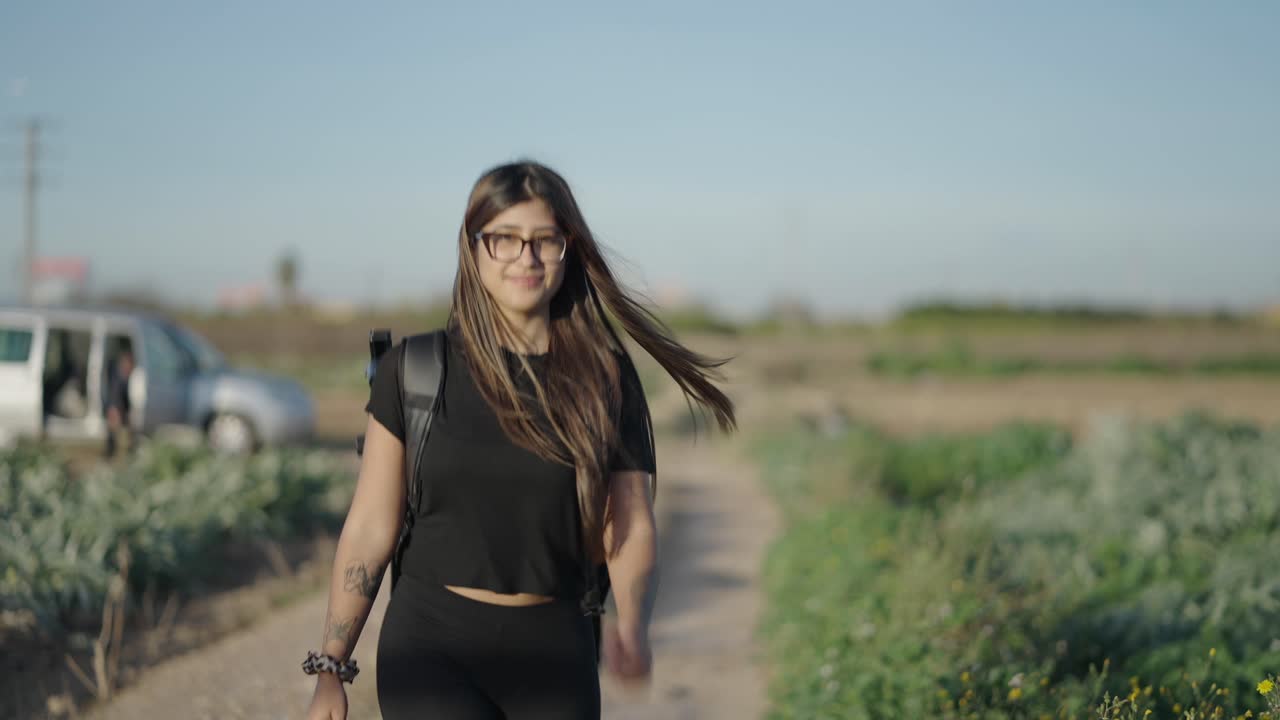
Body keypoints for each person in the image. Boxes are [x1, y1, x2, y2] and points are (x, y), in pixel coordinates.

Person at [303, 160, 736, 720]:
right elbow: (369, 526)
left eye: (544, 240)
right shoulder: (415, 371)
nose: (525, 258)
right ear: (474, 247)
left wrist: (631, 623)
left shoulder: (605, 379)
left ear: (568, 249)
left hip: (557, 653)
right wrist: (332, 666)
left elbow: (627, 525)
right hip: (430, 648)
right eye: (504, 238)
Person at [103, 348, 135, 459]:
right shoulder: (118, 379)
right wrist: (115, 410)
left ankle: (124, 452)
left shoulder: (126, 378)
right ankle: (111, 453)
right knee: (113, 431)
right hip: (116, 408)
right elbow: (115, 396)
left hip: (121, 409)